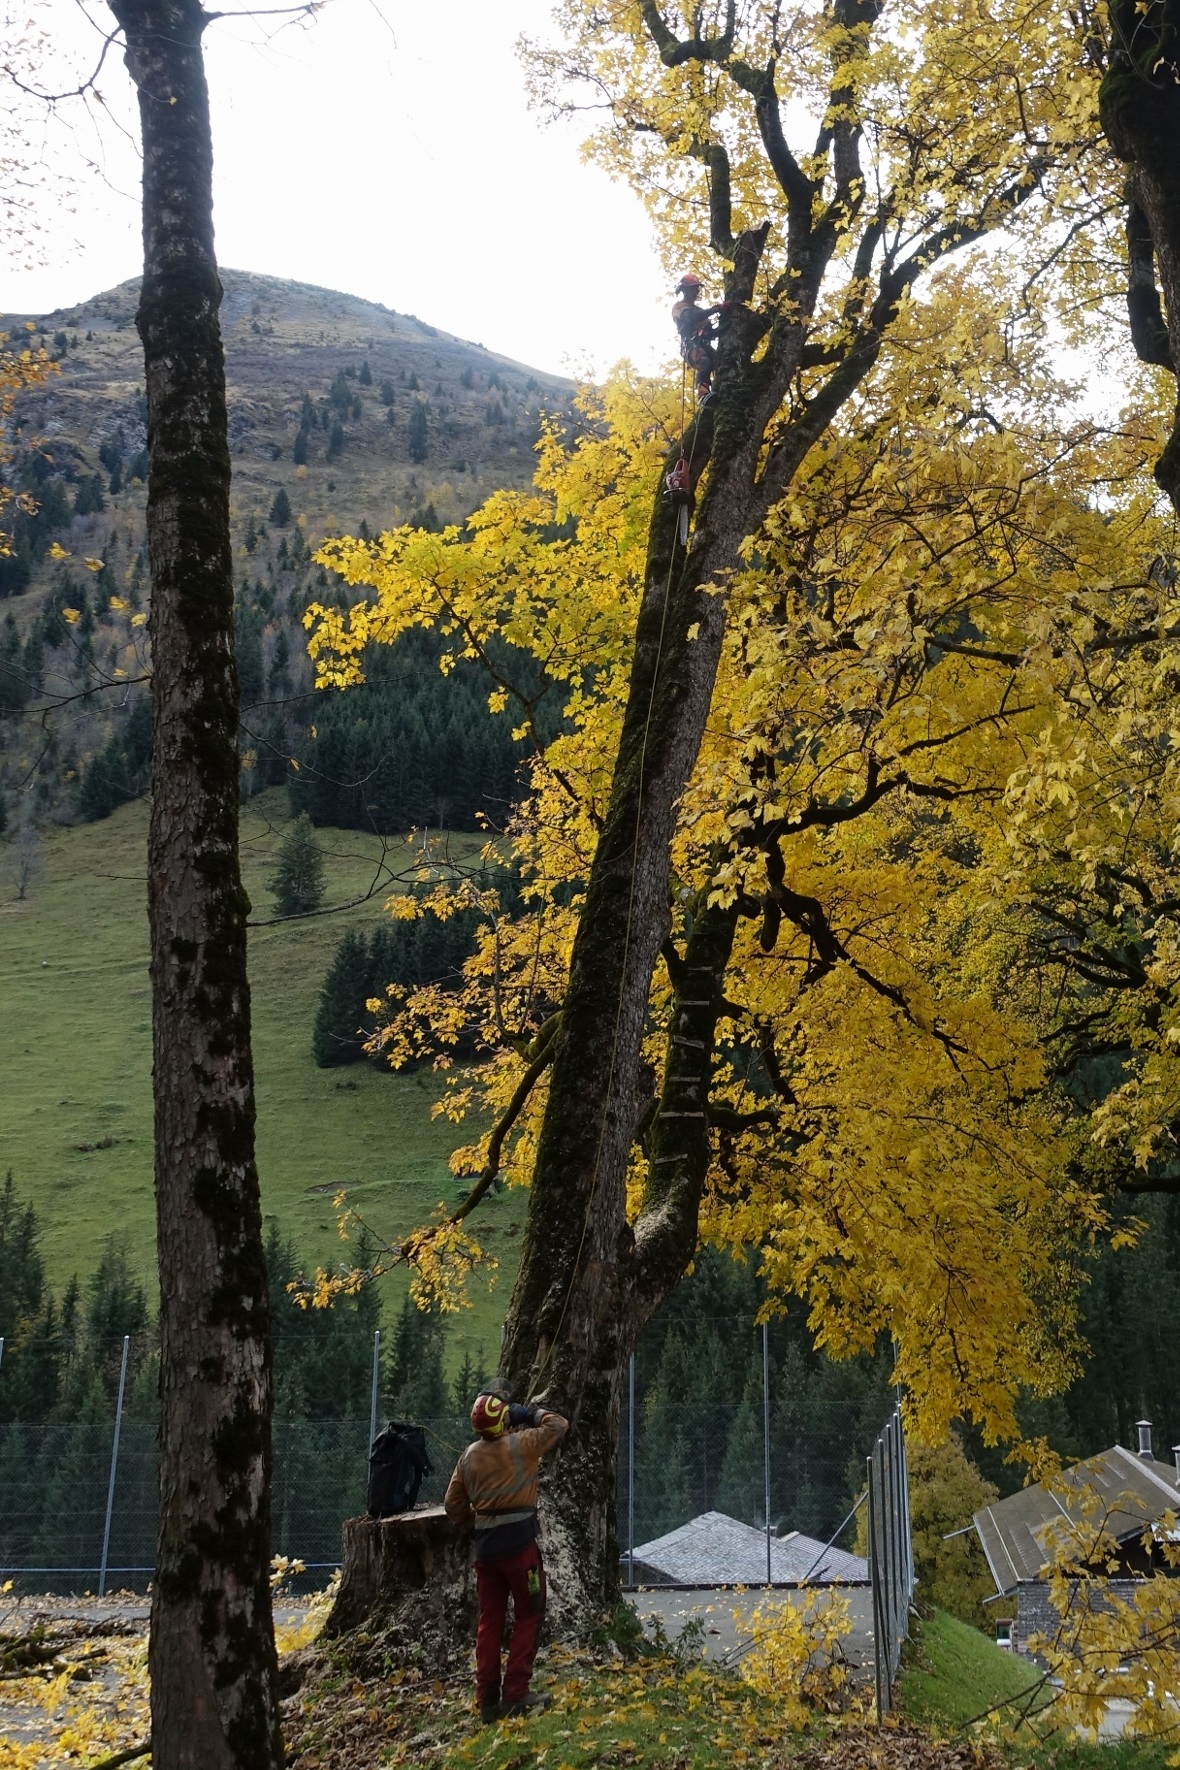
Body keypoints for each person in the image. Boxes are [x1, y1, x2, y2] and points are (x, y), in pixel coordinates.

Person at [444, 1386, 569, 1724]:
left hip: (486, 1553)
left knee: (489, 1621)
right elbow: (558, 1425)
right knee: (529, 1613)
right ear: (504, 1420)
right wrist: (525, 1413)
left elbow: (452, 1505)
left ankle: (486, 1699)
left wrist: (475, 1524)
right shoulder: (521, 1445)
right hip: (521, 1549)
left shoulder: (468, 1456)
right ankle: (516, 1692)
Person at [672, 272, 724, 398]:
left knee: (723, 363)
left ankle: (721, 394)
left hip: (705, 345)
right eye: (693, 289)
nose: (696, 292)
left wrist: (726, 325)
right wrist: (715, 309)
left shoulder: (700, 311)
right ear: (685, 290)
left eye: (697, 289)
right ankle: (702, 394)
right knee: (704, 362)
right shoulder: (679, 307)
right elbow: (690, 317)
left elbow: (711, 333)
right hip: (691, 346)